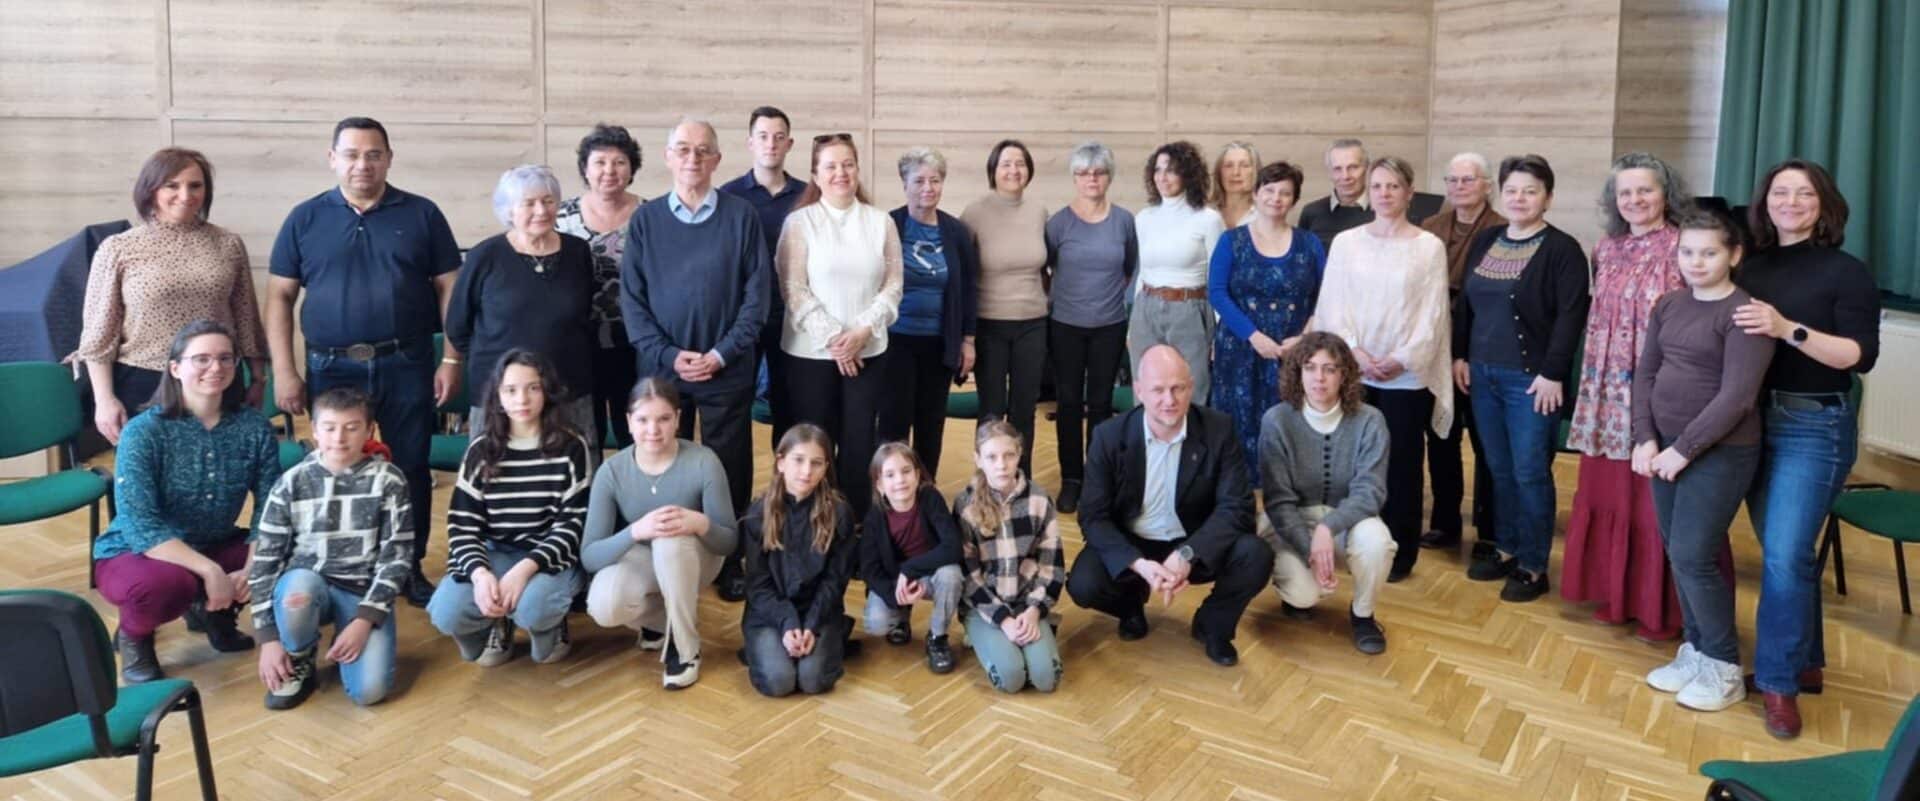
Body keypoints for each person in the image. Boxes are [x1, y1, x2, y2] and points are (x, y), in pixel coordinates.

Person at [268, 116, 462, 608]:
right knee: (335, 466)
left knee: (411, 467)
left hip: (407, 361)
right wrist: (285, 370)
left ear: (389, 159)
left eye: (374, 154)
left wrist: (452, 358)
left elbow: (450, 288)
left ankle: (408, 567)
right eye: (351, 154)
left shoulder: (422, 214)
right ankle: (337, 567)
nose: (363, 164)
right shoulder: (305, 218)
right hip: (331, 367)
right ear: (332, 158)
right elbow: (279, 297)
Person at [1730, 159, 1881, 739]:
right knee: (1784, 554)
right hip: (1752, 421)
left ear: (1824, 205)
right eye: (1780, 192)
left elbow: (1858, 357)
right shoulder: (1750, 266)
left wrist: (1786, 328)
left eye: (1804, 193)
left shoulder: (1847, 271)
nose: (1790, 202)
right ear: (1764, 202)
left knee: (1786, 554)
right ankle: (1805, 661)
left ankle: (1777, 683)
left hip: (1813, 424)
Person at [620, 118, 772, 601]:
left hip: (727, 367)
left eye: (703, 150)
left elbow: (757, 299)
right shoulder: (645, 221)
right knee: (663, 460)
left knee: (729, 466)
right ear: (668, 157)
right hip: (662, 372)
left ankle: (728, 557)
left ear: (717, 160)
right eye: (683, 149)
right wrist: (669, 354)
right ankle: (665, 553)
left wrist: (720, 353)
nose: (693, 158)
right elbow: (632, 303)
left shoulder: (742, 216)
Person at [1631, 209, 1772, 713]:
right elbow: (1645, 374)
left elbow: (1737, 398)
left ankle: (1724, 666)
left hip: (1721, 451)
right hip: (1665, 446)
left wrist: (1682, 449)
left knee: (1694, 555)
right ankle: (1696, 649)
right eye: (1687, 251)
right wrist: (1645, 437)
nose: (1696, 261)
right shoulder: (1669, 304)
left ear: (1734, 255)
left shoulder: (1744, 313)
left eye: (1709, 252)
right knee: (1678, 551)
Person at [93, 320, 281, 684]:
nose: (216, 367)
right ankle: (135, 637)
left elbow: (271, 509)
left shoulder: (254, 427)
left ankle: (214, 613)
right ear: (176, 368)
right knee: (166, 585)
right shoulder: (144, 432)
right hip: (137, 553)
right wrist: (210, 571)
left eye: (225, 358)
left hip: (215, 541)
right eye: (202, 359)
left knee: (285, 559)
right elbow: (141, 525)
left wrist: (253, 567)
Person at [1066, 345, 1273, 667]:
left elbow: (1237, 507)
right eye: (1158, 390)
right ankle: (1130, 606)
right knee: (1083, 584)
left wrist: (1188, 554)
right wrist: (1137, 564)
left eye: (1178, 388)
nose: (1169, 400)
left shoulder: (1218, 429)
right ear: (1138, 391)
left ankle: (1213, 625)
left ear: (1191, 387)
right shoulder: (1108, 436)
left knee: (1256, 555)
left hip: (1194, 540)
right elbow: (1093, 517)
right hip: (1135, 544)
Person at [1562, 152, 1693, 640]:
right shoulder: (1606, 249)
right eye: (1625, 192)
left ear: (1666, 194)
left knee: (1654, 501)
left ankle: (1663, 609)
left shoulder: (1684, 246)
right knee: (1610, 492)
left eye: (1646, 190)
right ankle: (1616, 596)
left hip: (1660, 389)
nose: (1635, 200)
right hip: (1606, 391)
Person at [1453, 154, 1590, 602]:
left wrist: (1553, 373)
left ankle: (1533, 564)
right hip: (1482, 375)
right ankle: (1506, 548)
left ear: (1548, 198)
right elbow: (1466, 303)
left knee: (1530, 471)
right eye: (1512, 190)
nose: (1519, 198)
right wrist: (1460, 354)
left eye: (1530, 191)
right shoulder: (1487, 239)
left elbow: (1571, 317)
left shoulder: (1562, 249)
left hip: (1531, 382)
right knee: (1498, 468)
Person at [1308, 156, 1452, 582]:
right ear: (1368, 194)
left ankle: (1399, 552)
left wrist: (1400, 358)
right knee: (1352, 462)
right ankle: (1352, 542)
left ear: (1409, 193)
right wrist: (1355, 352)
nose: (1385, 194)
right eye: (1377, 186)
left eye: (1393, 186)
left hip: (1405, 375)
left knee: (1402, 464)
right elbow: (1333, 303)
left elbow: (1433, 314)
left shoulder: (1429, 246)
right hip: (1354, 370)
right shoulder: (1346, 242)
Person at [73, 147, 267, 445]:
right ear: (150, 190)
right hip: (144, 381)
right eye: (172, 185)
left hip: (216, 376)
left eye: (195, 185)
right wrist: (104, 398)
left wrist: (257, 377)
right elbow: (99, 333)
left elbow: (246, 316)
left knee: (220, 464)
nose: (185, 195)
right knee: (153, 468)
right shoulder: (118, 248)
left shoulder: (228, 244)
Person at [248, 387, 412, 709]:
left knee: (369, 692)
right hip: (309, 583)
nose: (339, 438)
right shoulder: (291, 482)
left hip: (361, 590)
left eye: (352, 428)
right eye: (330, 427)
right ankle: (300, 653)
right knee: (297, 593)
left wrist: (365, 620)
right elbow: (265, 560)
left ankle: (348, 629)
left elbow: (397, 558)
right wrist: (268, 638)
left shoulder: (390, 481)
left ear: (369, 430)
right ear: (315, 430)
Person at [427, 350, 592, 667]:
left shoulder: (571, 446)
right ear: (498, 396)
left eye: (533, 388)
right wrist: (480, 575)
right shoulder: (481, 450)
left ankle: (549, 625)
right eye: (511, 390)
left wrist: (524, 571)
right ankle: (495, 620)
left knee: (534, 612)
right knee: (446, 613)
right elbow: (462, 525)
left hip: (548, 559)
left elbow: (572, 527)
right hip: (495, 553)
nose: (522, 399)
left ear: (547, 391)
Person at [775, 133, 903, 519]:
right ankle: (812, 521)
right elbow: (793, 288)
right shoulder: (799, 222)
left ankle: (853, 522)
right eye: (830, 166)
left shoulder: (880, 222)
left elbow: (894, 285)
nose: (840, 173)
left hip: (869, 351)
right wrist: (835, 339)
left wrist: (862, 331)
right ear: (816, 175)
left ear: (857, 169)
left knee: (859, 442)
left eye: (847, 164)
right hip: (809, 355)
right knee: (814, 444)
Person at [581, 377, 738, 689]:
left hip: (696, 557)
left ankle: (685, 648)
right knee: (604, 603)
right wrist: (635, 531)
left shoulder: (704, 461)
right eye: (643, 420)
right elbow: (590, 556)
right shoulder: (611, 472)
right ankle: (658, 621)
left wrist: (699, 523)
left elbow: (728, 542)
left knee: (670, 539)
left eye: (664, 419)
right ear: (628, 422)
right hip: (644, 556)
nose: (653, 430)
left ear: (678, 419)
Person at [1258, 332, 1391, 654]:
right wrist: (1311, 552)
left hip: (1345, 520)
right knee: (1304, 595)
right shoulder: (1277, 420)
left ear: (1344, 375)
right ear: (1298, 372)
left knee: (1377, 542)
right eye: (1310, 367)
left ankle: (1363, 615)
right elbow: (1278, 501)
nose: (1319, 378)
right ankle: (1296, 590)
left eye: (1330, 369)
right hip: (1292, 524)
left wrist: (1326, 528)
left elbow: (1370, 491)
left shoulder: (1370, 421)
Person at [445, 164, 598, 442]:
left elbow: (585, 315)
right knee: (498, 463)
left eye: (548, 201)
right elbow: (458, 325)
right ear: (509, 210)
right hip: (502, 393)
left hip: (568, 388)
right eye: (529, 203)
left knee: (572, 463)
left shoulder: (578, 251)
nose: (541, 210)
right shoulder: (485, 256)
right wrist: (502, 363)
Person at [1208, 161, 1325, 489]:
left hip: (1293, 353)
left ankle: (1285, 501)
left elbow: (1327, 294)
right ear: (1257, 194)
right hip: (1240, 350)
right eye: (1269, 190)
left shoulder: (1310, 243)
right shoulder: (1232, 241)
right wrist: (1253, 335)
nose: (1276, 198)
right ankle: (1237, 501)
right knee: (1236, 427)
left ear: (1294, 200)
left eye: (1285, 193)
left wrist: (1304, 336)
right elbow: (1216, 293)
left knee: (1289, 427)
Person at [1417, 153, 1505, 555]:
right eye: (1452, 180)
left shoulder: (1503, 229)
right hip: (1436, 343)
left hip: (1482, 345)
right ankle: (1445, 522)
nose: (1459, 187)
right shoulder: (1430, 227)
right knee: (1441, 437)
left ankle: (1489, 527)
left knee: (1486, 442)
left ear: (1487, 185)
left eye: (1468, 180)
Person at [1047, 141, 1138, 514]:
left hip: (1109, 324)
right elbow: (1046, 268)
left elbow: (1130, 268)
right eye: (1083, 173)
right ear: (1074, 178)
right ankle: (1072, 478)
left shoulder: (1125, 221)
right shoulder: (1058, 223)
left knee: (1100, 404)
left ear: (1109, 177)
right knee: (1068, 402)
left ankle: (1099, 479)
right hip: (1065, 325)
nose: (1091, 179)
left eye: (1099, 172)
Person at [881, 147, 980, 479]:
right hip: (895, 341)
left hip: (939, 342)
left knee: (930, 423)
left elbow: (968, 288)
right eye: (919, 180)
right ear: (904, 184)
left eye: (935, 180)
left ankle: (925, 491)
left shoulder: (956, 232)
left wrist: (968, 340)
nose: (928, 187)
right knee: (893, 423)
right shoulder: (889, 225)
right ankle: (890, 493)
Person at [740, 424, 859, 697]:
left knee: (812, 681)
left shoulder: (839, 513)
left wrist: (811, 625)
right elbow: (757, 585)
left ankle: (833, 634)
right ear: (781, 462)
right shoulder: (759, 513)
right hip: (770, 613)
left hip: (819, 610)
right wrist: (788, 623)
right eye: (798, 460)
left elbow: (834, 581)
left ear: (826, 467)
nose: (806, 471)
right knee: (779, 682)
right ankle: (765, 646)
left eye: (816, 463)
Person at [955, 421, 1065, 693]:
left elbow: (1052, 567)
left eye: (1009, 455)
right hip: (985, 608)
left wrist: (1034, 610)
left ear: (1020, 455)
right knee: (1012, 680)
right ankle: (978, 633)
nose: (1001, 465)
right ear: (978, 460)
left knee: (1046, 680)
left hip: (1026, 604)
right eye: (991, 457)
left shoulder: (1039, 500)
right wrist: (1003, 619)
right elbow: (968, 575)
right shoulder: (965, 505)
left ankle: (1039, 629)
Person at [962, 139, 1050, 477]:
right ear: (993, 170)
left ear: (1029, 170)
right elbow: (963, 272)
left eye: (1020, 163)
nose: (1014, 170)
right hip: (989, 324)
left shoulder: (1039, 211)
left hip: (1033, 322)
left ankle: (1021, 480)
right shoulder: (975, 213)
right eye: (1006, 164)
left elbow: (1047, 268)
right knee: (991, 409)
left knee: (1025, 407)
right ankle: (987, 482)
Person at [719, 106, 806, 449]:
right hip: (743, 317)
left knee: (789, 406)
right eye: (763, 136)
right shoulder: (728, 196)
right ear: (750, 143)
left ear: (789, 144)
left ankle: (787, 479)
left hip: (792, 317)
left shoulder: (807, 195)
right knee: (737, 405)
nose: (771, 144)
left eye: (779, 137)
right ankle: (736, 483)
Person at [556, 123, 645, 450]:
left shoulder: (650, 215)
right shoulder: (561, 217)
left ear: (631, 168)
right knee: (582, 427)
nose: (610, 170)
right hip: (577, 341)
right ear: (585, 168)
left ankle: (632, 481)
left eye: (619, 162)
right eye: (600, 162)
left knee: (632, 426)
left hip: (636, 340)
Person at [1131, 141, 1226, 404]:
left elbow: (1217, 280)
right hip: (1146, 309)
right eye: (1158, 169)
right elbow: (1143, 271)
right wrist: (1133, 323)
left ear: (1188, 174)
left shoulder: (1208, 219)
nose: (1163, 177)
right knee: (1146, 386)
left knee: (1191, 389)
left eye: (1171, 170)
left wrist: (1219, 332)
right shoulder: (1144, 218)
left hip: (1189, 310)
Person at [859, 442, 964, 673]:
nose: (900, 480)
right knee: (876, 624)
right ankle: (901, 617)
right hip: (896, 582)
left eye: (906, 471)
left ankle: (937, 637)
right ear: (880, 484)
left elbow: (953, 547)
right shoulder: (875, 516)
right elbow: (868, 569)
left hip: (931, 575)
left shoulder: (930, 498)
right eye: (890, 475)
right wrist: (898, 596)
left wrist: (909, 570)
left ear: (917, 475)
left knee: (952, 575)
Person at [1297, 139, 1373, 245]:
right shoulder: (1311, 213)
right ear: (1329, 173)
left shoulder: (1385, 211)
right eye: (1337, 169)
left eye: (1353, 167)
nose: (1345, 176)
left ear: (1367, 169)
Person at [1209, 141, 1261, 228]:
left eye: (1244, 165)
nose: (1235, 172)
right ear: (1219, 173)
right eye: (1229, 166)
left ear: (1256, 172)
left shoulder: (1266, 215)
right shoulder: (1205, 213)